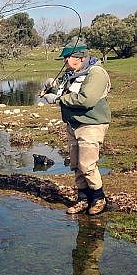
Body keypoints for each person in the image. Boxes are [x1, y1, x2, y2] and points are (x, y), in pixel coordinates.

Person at [43, 38, 111, 215]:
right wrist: (52, 88)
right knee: (76, 164)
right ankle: (82, 199)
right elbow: (65, 92)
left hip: (91, 124)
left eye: (68, 58)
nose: (65, 61)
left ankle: (99, 198)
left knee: (87, 164)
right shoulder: (72, 73)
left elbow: (86, 99)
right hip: (73, 124)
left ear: (80, 57)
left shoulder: (96, 73)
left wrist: (57, 99)